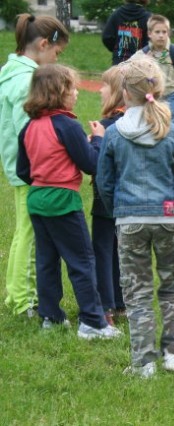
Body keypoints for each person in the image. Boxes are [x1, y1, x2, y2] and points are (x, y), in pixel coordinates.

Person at [96, 57, 174, 378]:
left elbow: (105, 182)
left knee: (136, 292)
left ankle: (143, 363)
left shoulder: (114, 136)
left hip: (129, 221)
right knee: (173, 287)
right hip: (168, 217)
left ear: (125, 93)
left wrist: (119, 211)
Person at [15, 64, 122, 339]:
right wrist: (97, 140)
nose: (77, 92)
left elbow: (22, 171)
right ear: (59, 92)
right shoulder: (67, 124)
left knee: (47, 260)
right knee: (82, 260)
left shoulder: (29, 126)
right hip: (63, 199)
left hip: (37, 199)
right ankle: (92, 322)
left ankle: (50, 317)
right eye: (72, 87)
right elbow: (90, 164)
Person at [0, 14, 69, 317]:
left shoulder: (10, 72)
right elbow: (27, 130)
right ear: (43, 44)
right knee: (30, 235)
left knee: (23, 232)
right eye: (57, 53)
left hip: (19, 167)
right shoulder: (27, 80)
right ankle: (23, 301)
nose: (56, 60)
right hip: (31, 170)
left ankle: (16, 295)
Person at [93, 66, 127, 326]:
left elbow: (95, 163)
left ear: (117, 92)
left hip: (106, 200)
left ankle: (105, 306)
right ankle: (121, 303)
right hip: (130, 200)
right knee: (121, 251)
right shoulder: (138, 122)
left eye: (105, 85)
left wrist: (92, 142)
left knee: (103, 250)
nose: (100, 89)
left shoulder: (106, 127)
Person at [130, 14, 174, 123]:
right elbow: (126, 70)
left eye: (164, 32)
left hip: (171, 97)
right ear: (149, 34)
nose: (161, 35)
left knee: (169, 128)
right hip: (150, 98)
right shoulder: (141, 55)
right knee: (149, 126)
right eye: (157, 32)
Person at [102, 0, 152, 65]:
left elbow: (106, 37)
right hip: (140, 64)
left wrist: (117, 50)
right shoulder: (148, 18)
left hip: (119, 63)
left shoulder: (116, 14)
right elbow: (151, 42)